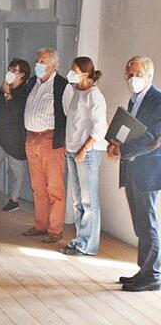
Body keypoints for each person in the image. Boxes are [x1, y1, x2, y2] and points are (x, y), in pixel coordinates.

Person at [108, 56, 161, 292]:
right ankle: (143, 271)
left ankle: (153, 275)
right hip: (132, 166)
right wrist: (115, 143)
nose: (133, 79)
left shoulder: (158, 100)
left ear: (150, 75)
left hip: (148, 170)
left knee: (148, 222)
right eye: (129, 74)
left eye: (138, 74)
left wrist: (124, 149)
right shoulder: (134, 99)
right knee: (140, 223)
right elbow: (130, 129)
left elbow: (154, 139)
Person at [22, 47, 70, 244]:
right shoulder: (33, 82)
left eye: (42, 62)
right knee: (38, 186)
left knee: (54, 187)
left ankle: (55, 229)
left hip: (50, 140)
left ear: (53, 65)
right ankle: (41, 225)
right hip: (31, 138)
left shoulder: (62, 85)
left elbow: (69, 114)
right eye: (38, 61)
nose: (38, 65)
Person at [60, 57, 107, 256]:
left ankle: (88, 245)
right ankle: (80, 239)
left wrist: (84, 148)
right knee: (78, 199)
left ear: (86, 73)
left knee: (89, 200)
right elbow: (74, 122)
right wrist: (69, 146)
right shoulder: (77, 93)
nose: (71, 73)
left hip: (87, 153)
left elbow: (98, 128)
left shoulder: (94, 96)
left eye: (75, 70)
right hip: (73, 150)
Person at [0, 59, 32, 213]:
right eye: (10, 69)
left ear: (22, 75)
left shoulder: (25, 92)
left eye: (14, 70)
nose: (10, 72)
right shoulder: (3, 89)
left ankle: (14, 200)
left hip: (15, 138)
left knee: (16, 171)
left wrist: (7, 92)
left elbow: (16, 112)